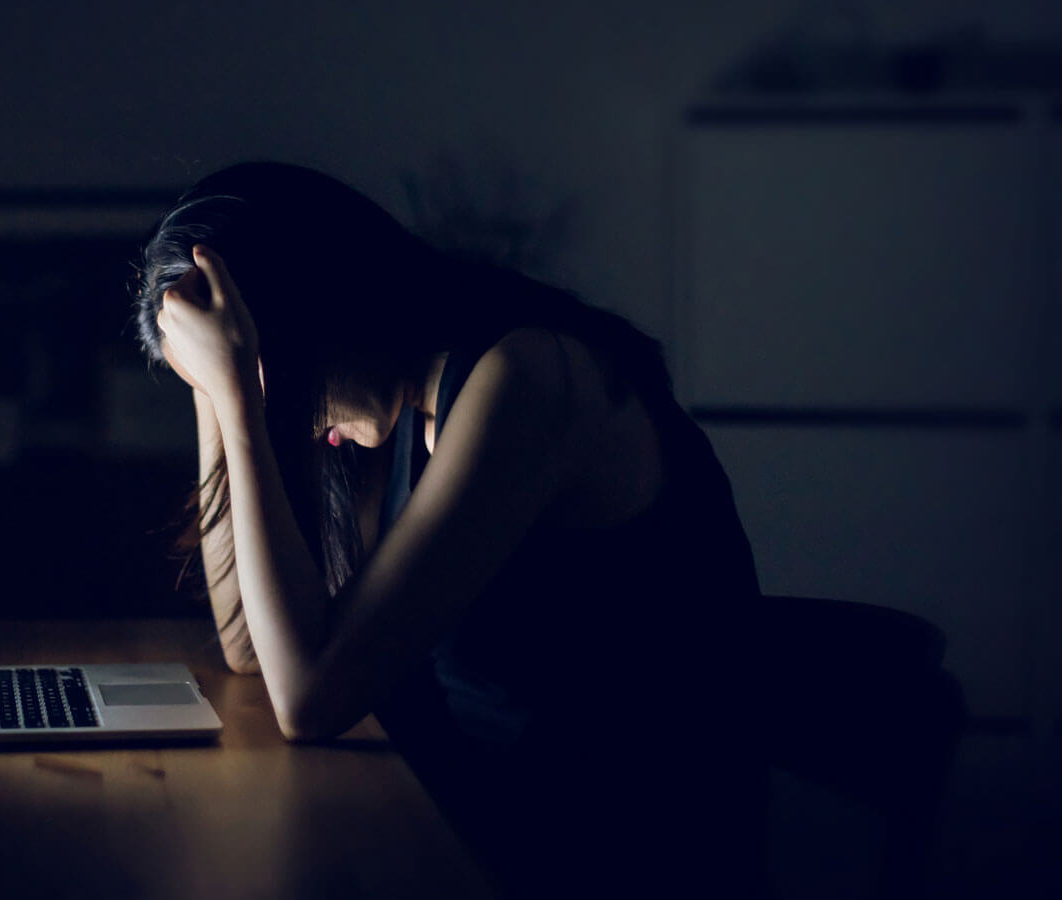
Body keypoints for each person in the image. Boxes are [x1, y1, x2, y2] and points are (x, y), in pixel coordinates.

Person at [133, 161, 769, 896]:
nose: (294, 427)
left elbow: (309, 701)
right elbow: (249, 646)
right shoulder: (413, 402)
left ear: (314, 313)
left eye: (258, 369)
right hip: (479, 837)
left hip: (614, 864)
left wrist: (242, 397)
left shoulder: (529, 379)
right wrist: (213, 388)